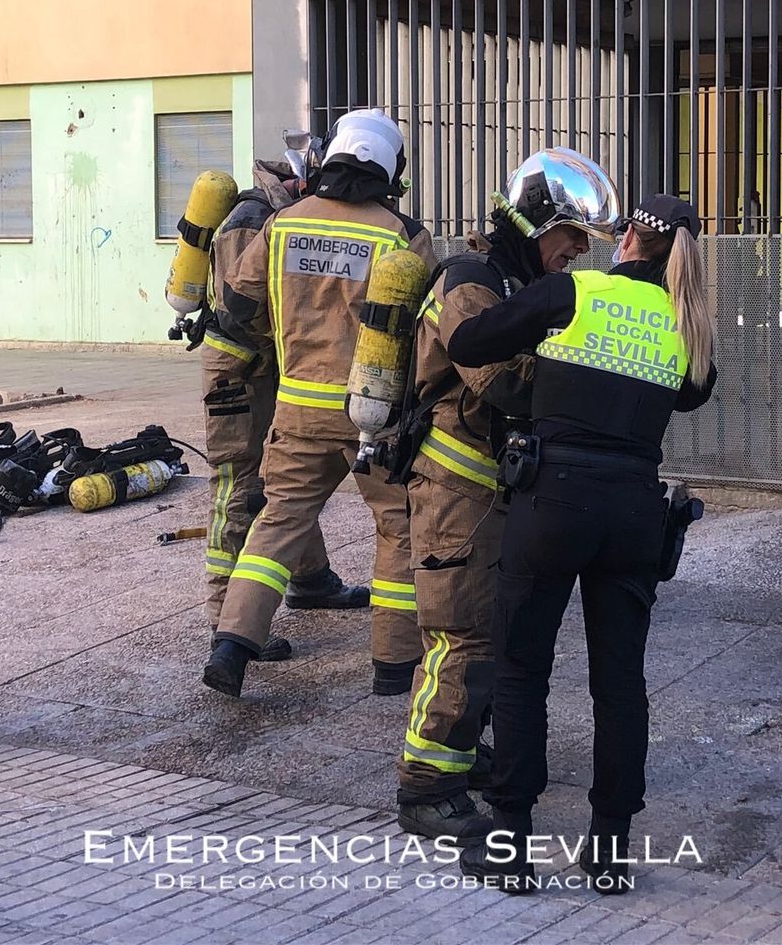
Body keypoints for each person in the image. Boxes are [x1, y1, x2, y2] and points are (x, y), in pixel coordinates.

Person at [452, 195, 717, 893]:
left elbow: (467, 342)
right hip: (634, 513)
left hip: (552, 501)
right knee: (620, 683)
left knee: (521, 671)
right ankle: (609, 850)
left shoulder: (572, 290)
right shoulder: (687, 324)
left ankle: (511, 842)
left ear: (628, 236)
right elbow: (689, 397)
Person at [396, 148, 620, 844]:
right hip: (457, 491)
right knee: (461, 636)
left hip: (492, 486)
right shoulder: (471, 284)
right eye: (571, 235)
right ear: (532, 224)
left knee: (492, 634)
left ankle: (461, 753)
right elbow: (502, 381)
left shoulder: (513, 282)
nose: (580, 251)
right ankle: (427, 786)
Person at [204, 109, 436, 699]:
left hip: (296, 409)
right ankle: (392, 667)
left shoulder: (281, 223)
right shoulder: (402, 233)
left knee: (278, 521)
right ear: (391, 168)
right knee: (396, 528)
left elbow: (237, 305)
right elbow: (428, 327)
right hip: (377, 414)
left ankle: (232, 647)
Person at [199, 135, 368, 660]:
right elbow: (236, 309)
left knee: (291, 474)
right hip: (241, 368)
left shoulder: (290, 215)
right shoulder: (253, 218)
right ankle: (226, 612)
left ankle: (311, 580)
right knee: (240, 480)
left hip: (276, 364)